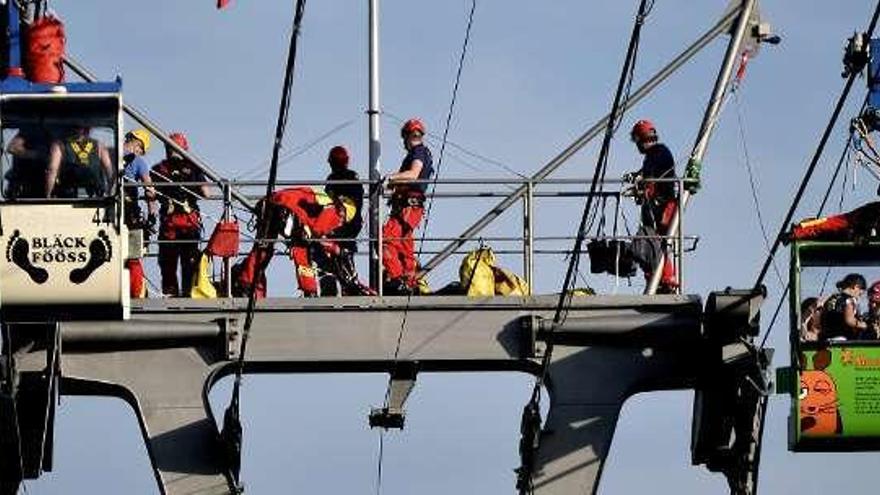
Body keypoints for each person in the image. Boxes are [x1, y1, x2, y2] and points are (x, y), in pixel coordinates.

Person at [234, 186, 368, 297]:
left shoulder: (323, 199)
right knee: (302, 251)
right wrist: (335, 249)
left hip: (273, 204)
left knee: (263, 249)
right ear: (344, 213)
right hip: (285, 211)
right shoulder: (335, 211)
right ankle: (309, 290)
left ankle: (246, 282)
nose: (338, 225)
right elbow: (317, 232)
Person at [151, 132, 209, 297]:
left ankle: (171, 296)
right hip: (188, 223)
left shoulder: (158, 169)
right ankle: (188, 294)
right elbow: (206, 193)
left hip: (170, 224)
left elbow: (151, 195)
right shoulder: (194, 167)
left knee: (168, 264)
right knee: (188, 264)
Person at [382, 118, 434, 294]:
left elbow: (413, 174)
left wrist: (390, 178)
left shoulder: (418, 152)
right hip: (407, 207)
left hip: (409, 207)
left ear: (406, 137)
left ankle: (397, 279)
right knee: (405, 248)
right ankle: (408, 281)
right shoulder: (422, 152)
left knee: (386, 239)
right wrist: (394, 187)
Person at [626, 119, 678, 293]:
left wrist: (641, 186)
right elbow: (647, 175)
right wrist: (636, 177)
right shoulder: (656, 154)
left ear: (641, 138)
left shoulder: (658, 153)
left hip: (662, 206)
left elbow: (651, 179)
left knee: (655, 242)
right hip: (657, 205)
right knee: (651, 242)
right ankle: (657, 278)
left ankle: (665, 280)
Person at [320, 145, 364, 295]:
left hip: (339, 225)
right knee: (344, 251)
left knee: (328, 251)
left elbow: (327, 201)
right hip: (351, 224)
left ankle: (333, 281)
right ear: (346, 161)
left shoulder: (332, 180)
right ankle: (348, 283)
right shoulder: (353, 177)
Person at [122, 129, 158, 299]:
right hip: (129, 214)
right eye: (142, 150)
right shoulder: (138, 162)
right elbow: (150, 190)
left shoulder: (108, 152)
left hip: (107, 212)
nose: (140, 153)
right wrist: (152, 216)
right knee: (133, 254)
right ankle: (136, 293)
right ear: (139, 144)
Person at [45, 126, 115, 198]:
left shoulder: (59, 145)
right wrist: (110, 193)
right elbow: (109, 171)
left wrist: (48, 195)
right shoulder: (99, 145)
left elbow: (52, 170)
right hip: (95, 197)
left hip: (67, 196)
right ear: (88, 130)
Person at [5, 126, 52, 199]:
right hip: (24, 184)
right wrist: (38, 155)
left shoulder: (58, 135)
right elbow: (12, 148)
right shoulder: (30, 130)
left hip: (45, 184)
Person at [822, 273, 868, 341]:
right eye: (860, 293)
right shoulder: (849, 300)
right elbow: (849, 320)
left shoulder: (831, 298)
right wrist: (862, 325)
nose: (859, 297)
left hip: (827, 338)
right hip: (843, 339)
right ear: (856, 287)